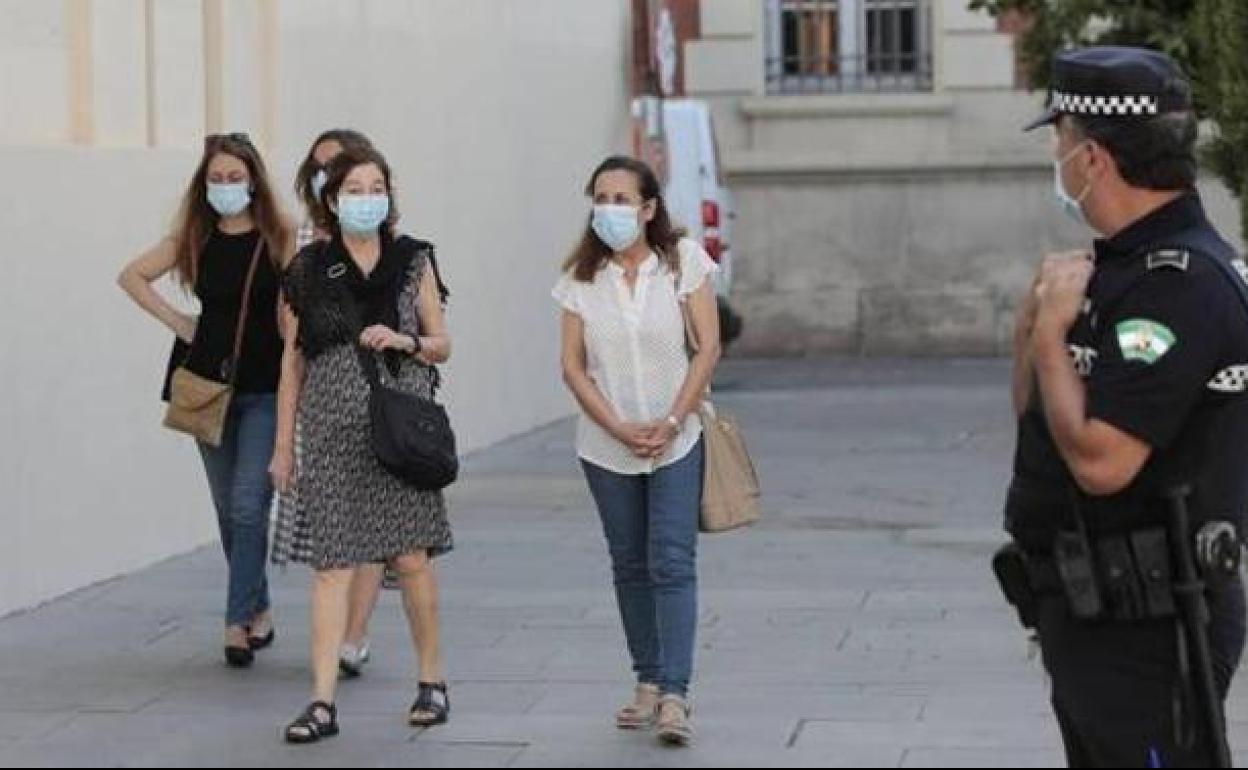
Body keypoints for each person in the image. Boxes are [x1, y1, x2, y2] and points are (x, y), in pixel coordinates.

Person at [1004, 46, 1248, 767]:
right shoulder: (1117, 270)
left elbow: (1102, 462)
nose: (1056, 156)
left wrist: (1050, 340)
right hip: (1093, 610)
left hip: (1149, 623)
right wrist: (1032, 329)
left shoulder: (1179, 285)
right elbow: (1037, 419)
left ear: (1093, 158)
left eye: (1061, 138)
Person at [274, 145, 454, 743]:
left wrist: (404, 341)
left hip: (398, 430)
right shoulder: (307, 268)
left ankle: (432, 679)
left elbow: (442, 343)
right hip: (329, 430)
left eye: (377, 188)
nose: (367, 199)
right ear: (332, 199)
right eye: (355, 189)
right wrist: (283, 446)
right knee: (332, 565)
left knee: (410, 557)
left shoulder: (412, 260)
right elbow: (291, 364)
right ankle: (321, 701)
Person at [554, 155, 721, 747]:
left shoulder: (683, 262)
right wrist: (619, 427)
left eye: (622, 200)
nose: (610, 210)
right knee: (629, 562)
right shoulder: (580, 279)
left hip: (678, 439)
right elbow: (573, 367)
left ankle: (675, 693)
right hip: (606, 446)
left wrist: (672, 420)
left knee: (671, 560)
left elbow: (708, 348)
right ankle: (647, 679)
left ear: (649, 209)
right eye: (601, 199)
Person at [118, 132, 292, 668]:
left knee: (248, 504)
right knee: (228, 510)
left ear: (254, 180)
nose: (225, 186)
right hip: (205, 388)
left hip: (265, 389)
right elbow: (132, 276)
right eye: (216, 178)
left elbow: (296, 308)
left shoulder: (279, 236)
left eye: (234, 177)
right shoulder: (195, 237)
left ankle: (236, 622)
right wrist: (180, 322)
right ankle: (258, 608)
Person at [277, 128, 393, 678]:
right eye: (323, 167)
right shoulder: (303, 243)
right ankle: (331, 643)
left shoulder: (394, 244)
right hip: (321, 397)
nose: (333, 174)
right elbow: (289, 332)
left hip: (379, 399)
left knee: (371, 525)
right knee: (331, 524)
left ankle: (354, 633)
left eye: (342, 165)